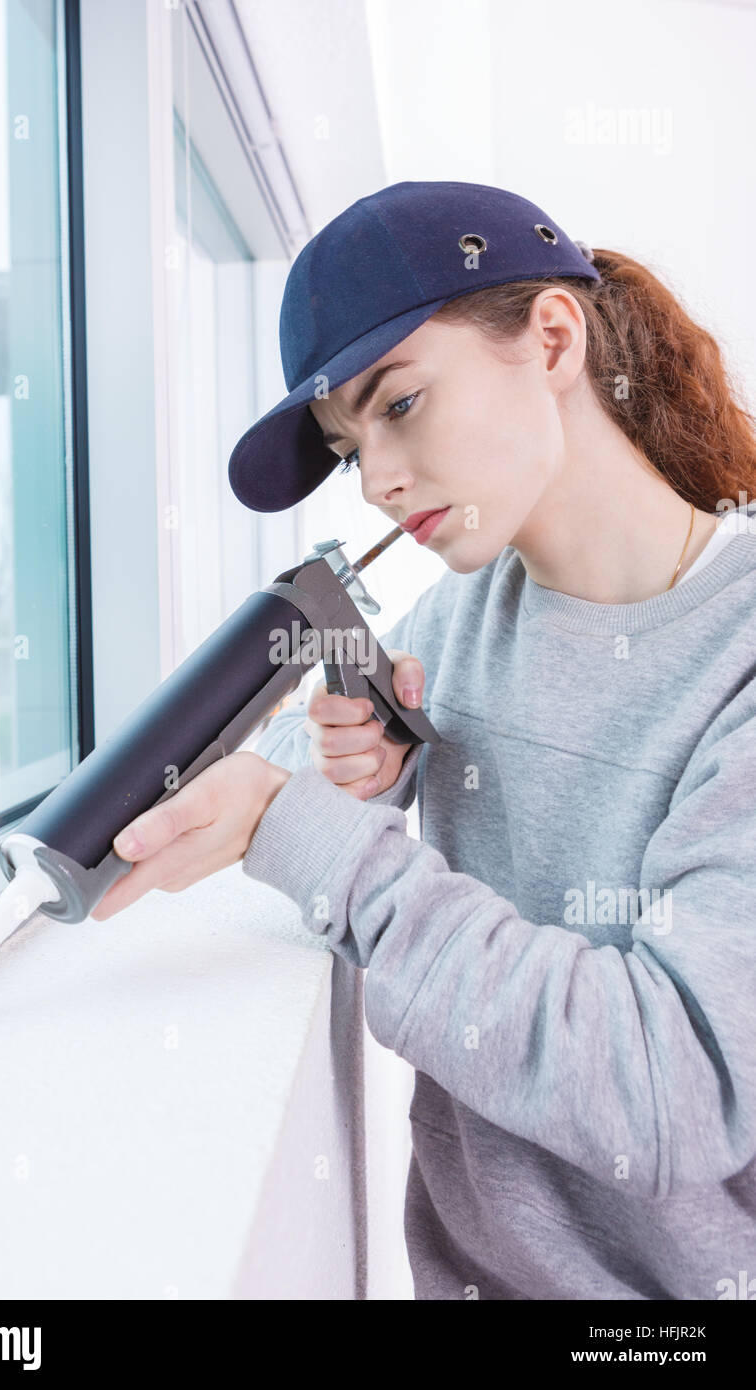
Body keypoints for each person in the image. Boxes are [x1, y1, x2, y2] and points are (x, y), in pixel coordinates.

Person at [91, 182, 756, 1300]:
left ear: (550, 337)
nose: (379, 481)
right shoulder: (462, 614)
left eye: (396, 404)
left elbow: (674, 1084)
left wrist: (317, 842)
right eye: (349, 449)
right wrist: (356, 772)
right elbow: (313, 782)